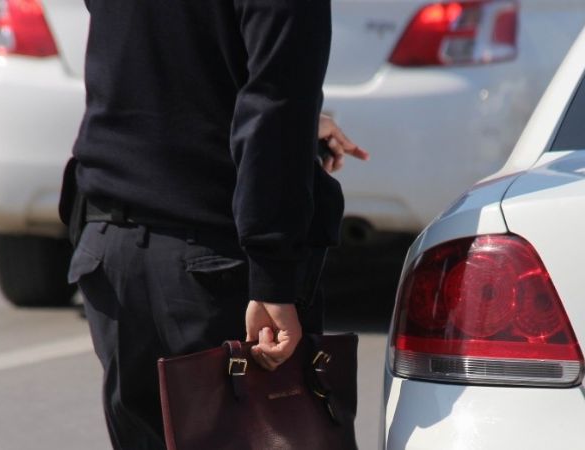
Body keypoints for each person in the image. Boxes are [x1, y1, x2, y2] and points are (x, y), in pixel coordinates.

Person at [60, 0, 368, 448]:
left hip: (111, 244)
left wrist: (302, 125)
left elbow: (153, 51)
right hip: (214, 262)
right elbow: (275, 109)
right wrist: (273, 277)